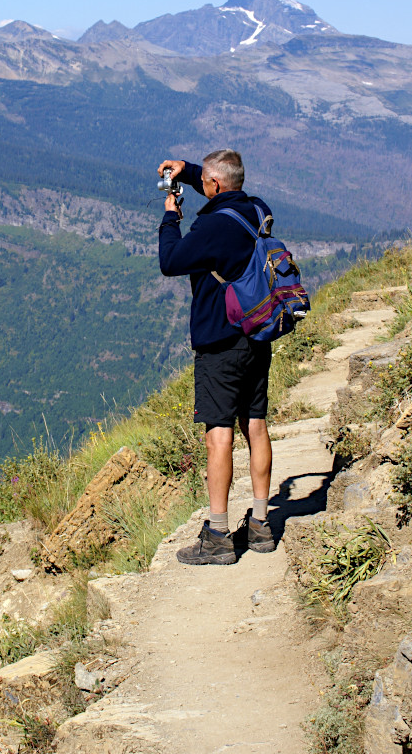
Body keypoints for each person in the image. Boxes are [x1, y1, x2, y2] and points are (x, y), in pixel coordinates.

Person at [157, 150, 275, 565]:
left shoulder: (210, 226)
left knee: (218, 433)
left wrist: (171, 215)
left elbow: (170, 261)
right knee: (255, 424)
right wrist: (187, 171)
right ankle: (261, 525)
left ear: (215, 186)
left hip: (219, 343)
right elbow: (222, 189)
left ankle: (219, 534)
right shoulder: (256, 210)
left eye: (204, 181)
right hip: (257, 333)